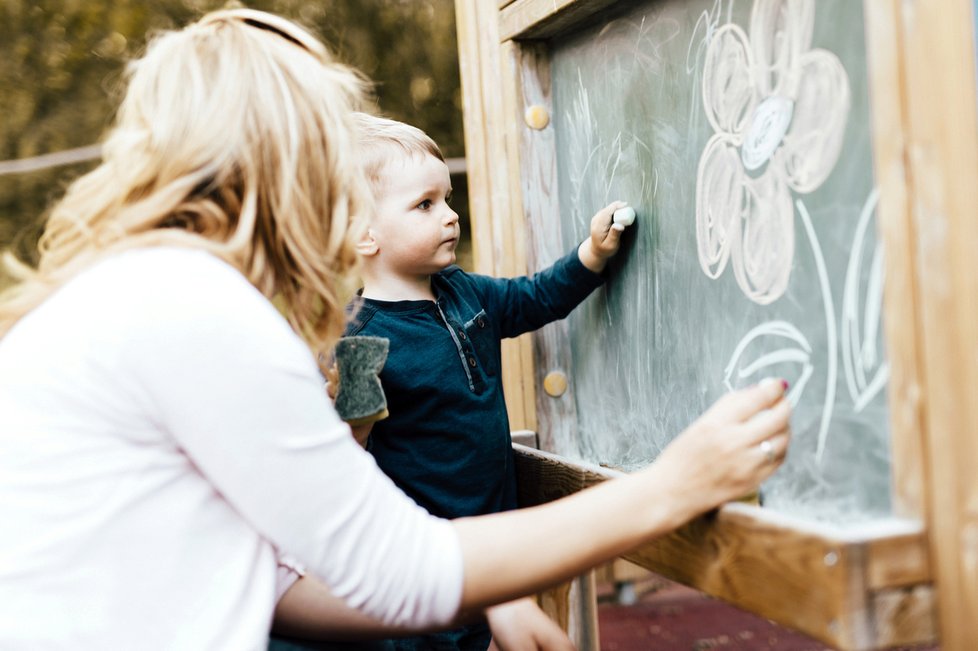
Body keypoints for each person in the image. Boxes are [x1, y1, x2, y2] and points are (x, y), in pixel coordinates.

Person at [0, 8, 792, 651]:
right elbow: (392, 568)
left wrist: (485, 586)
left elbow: (279, 584)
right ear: (289, 159)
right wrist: (672, 486)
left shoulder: (144, 291)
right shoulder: (197, 307)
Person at [330, 112, 631, 651]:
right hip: (428, 569)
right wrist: (353, 413)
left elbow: (536, 297)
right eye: (425, 205)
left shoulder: (465, 292)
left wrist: (594, 255)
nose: (450, 216)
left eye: (446, 198)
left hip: (499, 546)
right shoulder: (359, 337)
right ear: (364, 234)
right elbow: (349, 466)